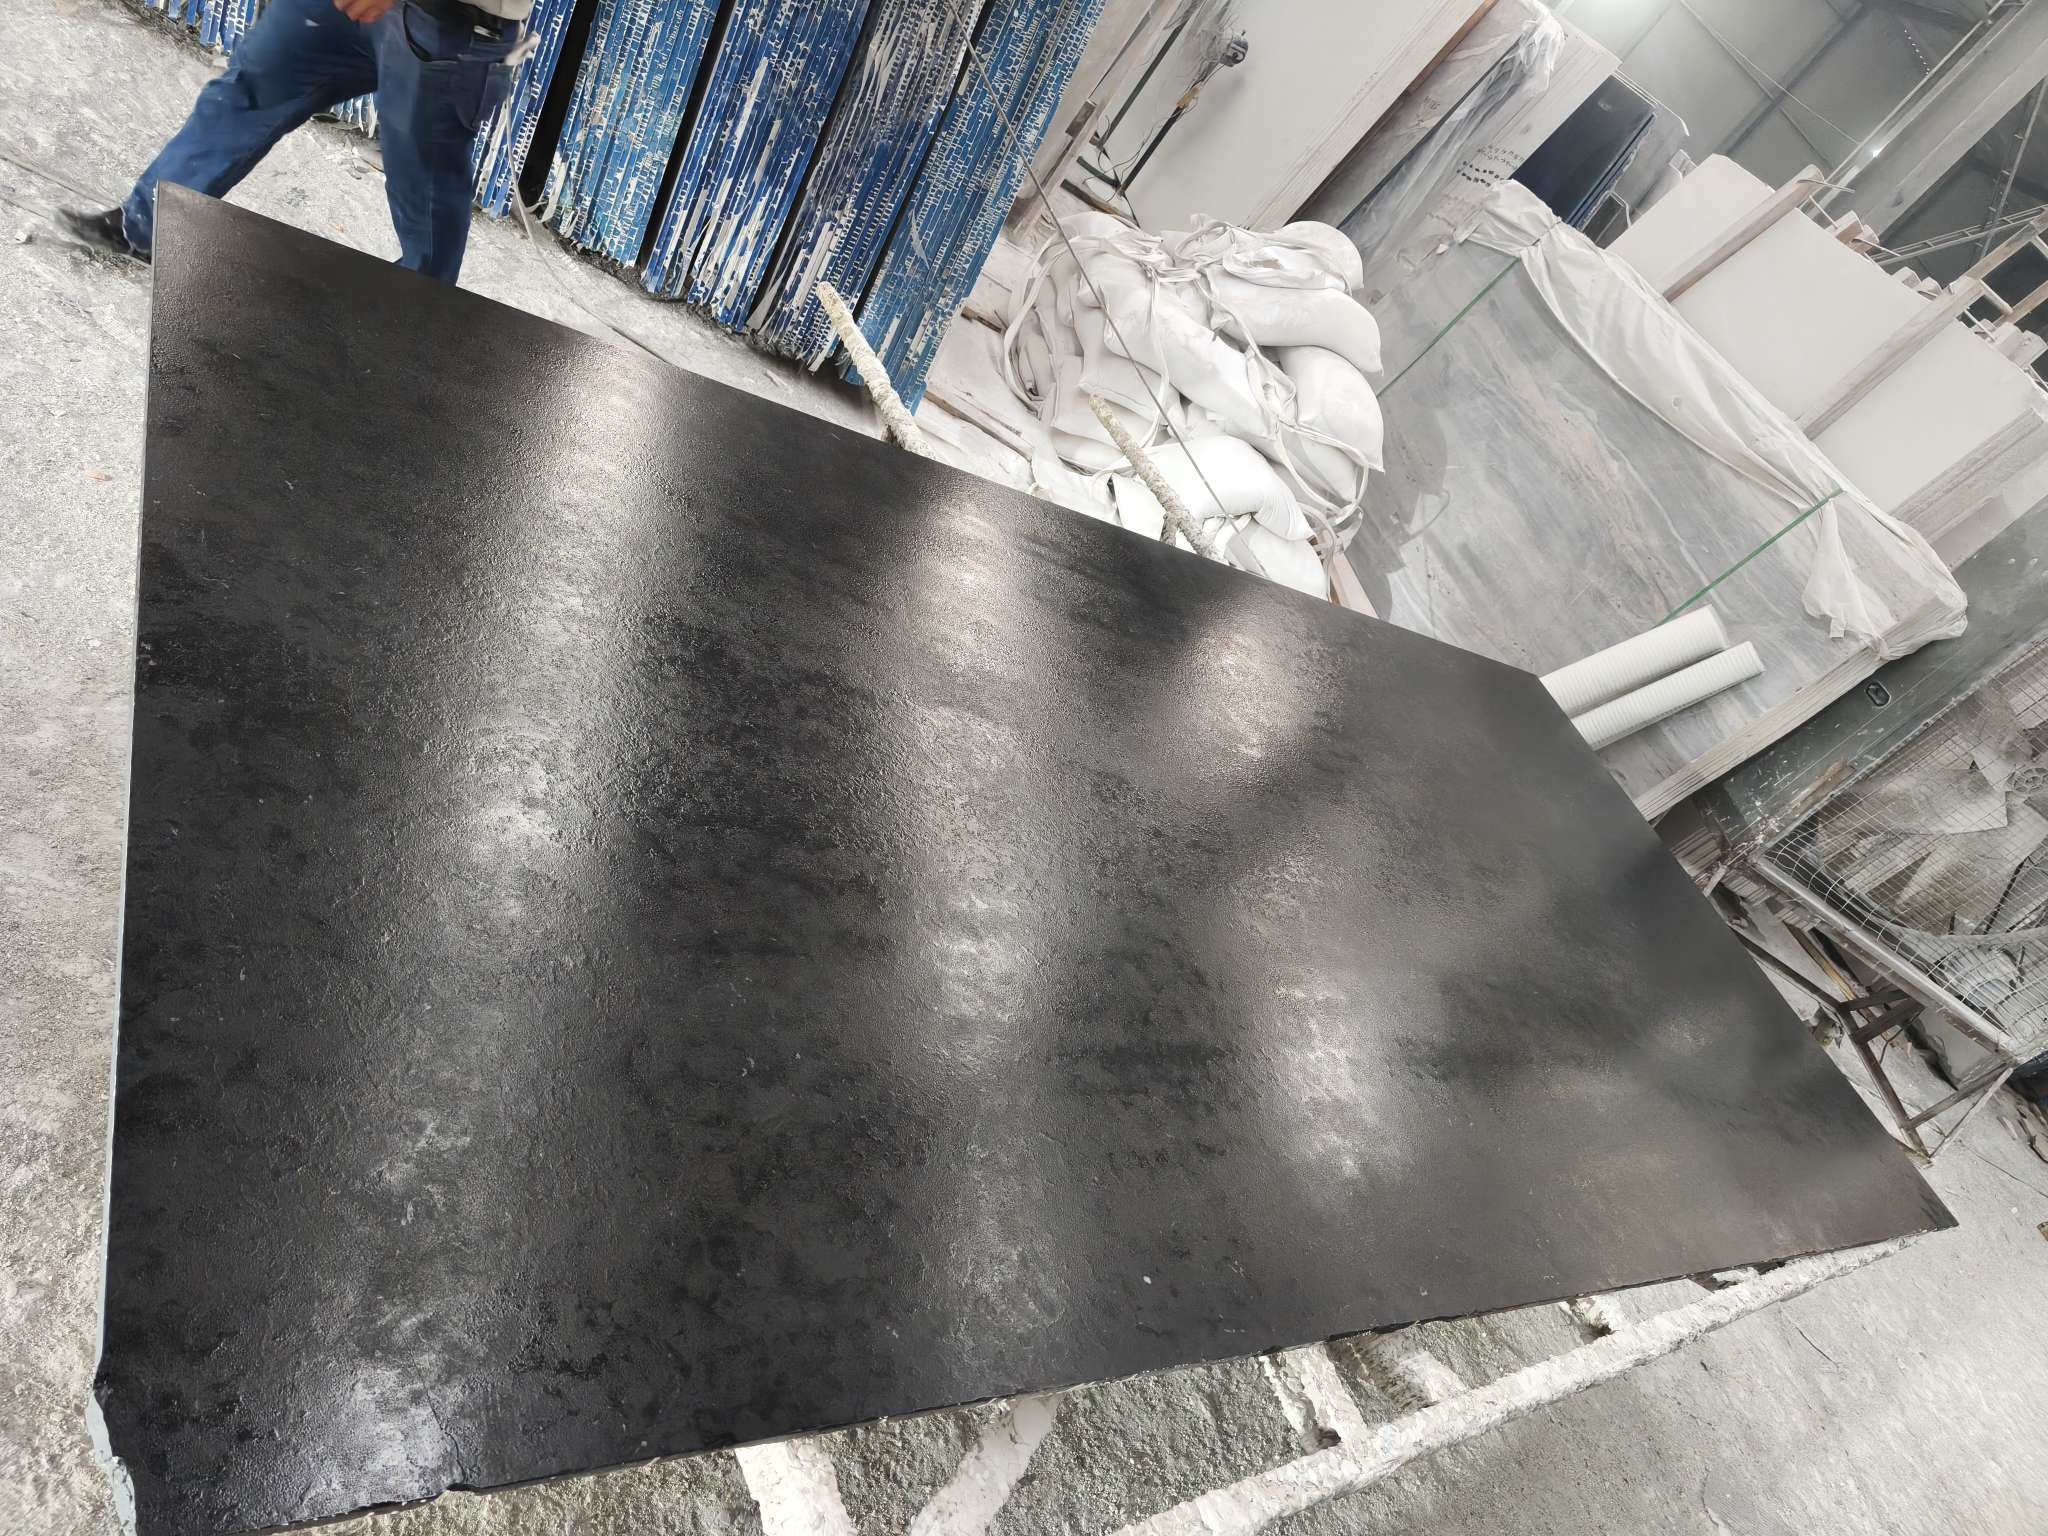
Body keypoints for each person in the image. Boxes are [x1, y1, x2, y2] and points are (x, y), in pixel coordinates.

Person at [60, 0, 526, 283]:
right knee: (255, 83)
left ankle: (417, 323)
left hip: (450, 22)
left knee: (425, 186)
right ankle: (145, 227)